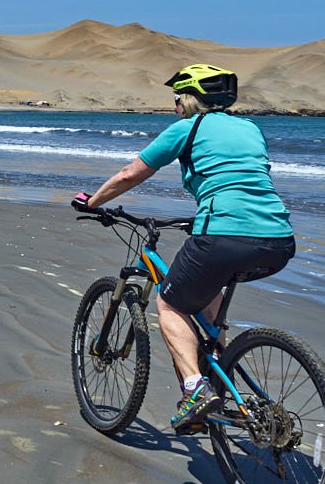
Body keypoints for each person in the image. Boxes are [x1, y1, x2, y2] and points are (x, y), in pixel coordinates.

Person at [73, 64, 295, 435]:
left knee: (170, 303)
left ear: (190, 99)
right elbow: (238, 179)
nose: (175, 105)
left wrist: (93, 201)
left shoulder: (187, 128)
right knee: (208, 302)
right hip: (278, 240)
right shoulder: (251, 129)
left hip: (222, 233)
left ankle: (195, 390)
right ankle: (220, 391)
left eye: (177, 98)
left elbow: (132, 173)